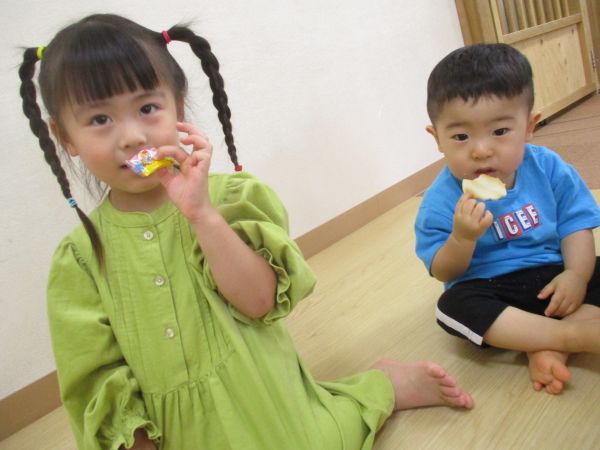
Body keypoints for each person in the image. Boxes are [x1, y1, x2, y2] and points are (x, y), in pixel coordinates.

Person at [19, 14, 474, 450]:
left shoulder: (230, 199)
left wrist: (202, 215)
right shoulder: (79, 259)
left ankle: (378, 387)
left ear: (179, 109)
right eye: (100, 119)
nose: (132, 137)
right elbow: (94, 377)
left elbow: (260, 301)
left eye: (148, 108)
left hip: (267, 402)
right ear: (66, 138)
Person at [415, 43, 600, 396]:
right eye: (460, 136)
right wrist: (462, 238)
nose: (481, 150)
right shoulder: (440, 200)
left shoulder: (548, 168)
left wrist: (576, 275)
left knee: (594, 268)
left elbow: (576, 225)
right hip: (491, 288)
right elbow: (443, 272)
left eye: (500, 131)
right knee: (452, 307)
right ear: (437, 139)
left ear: (529, 126)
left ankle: (545, 345)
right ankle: (570, 335)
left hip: (555, 275)